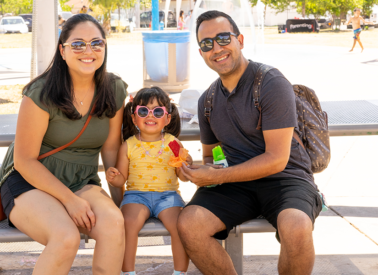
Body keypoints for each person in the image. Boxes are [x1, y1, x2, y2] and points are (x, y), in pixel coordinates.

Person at [177, 10, 322, 275]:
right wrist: (195, 170)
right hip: (235, 185)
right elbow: (214, 158)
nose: (217, 48)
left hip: (286, 177)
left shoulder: (270, 83)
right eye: (207, 44)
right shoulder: (207, 101)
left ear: (240, 40)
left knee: (297, 226)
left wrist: (220, 174)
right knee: (189, 223)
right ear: (201, 53)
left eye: (223, 38)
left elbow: (277, 159)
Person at [0, 14, 127, 275]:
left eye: (96, 43)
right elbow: (24, 161)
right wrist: (69, 200)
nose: (88, 51)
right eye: (78, 44)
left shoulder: (114, 89)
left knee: (114, 224)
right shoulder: (41, 93)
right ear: (63, 51)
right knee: (66, 237)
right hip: (30, 181)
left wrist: (121, 199)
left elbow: (111, 148)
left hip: (81, 179)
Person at [106, 87, 193, 275]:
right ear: (134, 117)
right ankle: (128, 272)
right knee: (128, 223)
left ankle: (180, 272)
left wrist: (186, 166)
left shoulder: (173, 143)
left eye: (158, 111)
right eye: (143, 111)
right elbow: (122, 179)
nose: (150, 116)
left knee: (180, 226)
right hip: (136, 196)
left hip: (168, 196)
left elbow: (183, 177)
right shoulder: (128, 145)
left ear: (168, 118)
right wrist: (114, 178)